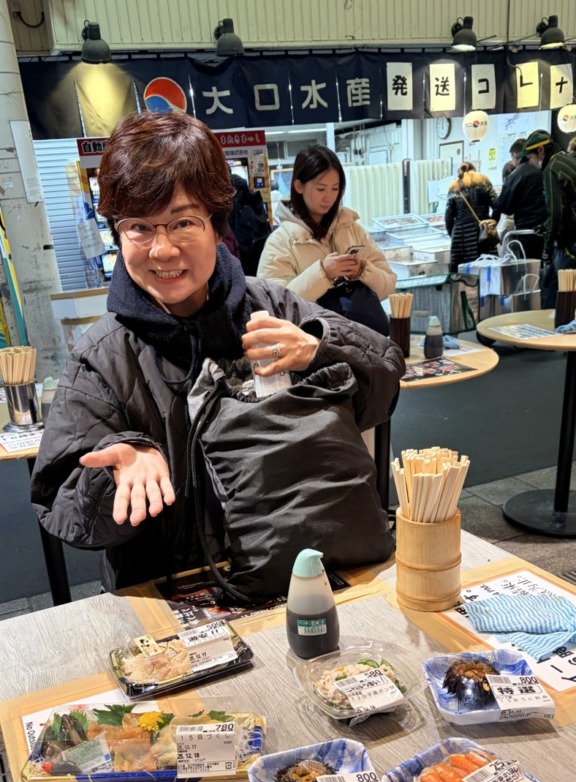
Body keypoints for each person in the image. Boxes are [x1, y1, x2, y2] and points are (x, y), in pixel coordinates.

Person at [30, 111, 404, 592]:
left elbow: (384, 387)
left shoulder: (276, 307)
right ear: (118, 233)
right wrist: (116, 471)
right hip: (179, 595)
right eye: (139, 227)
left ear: (216, 225)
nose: (162, 249)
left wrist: (322, 351)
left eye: (183, 222)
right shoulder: (102, 358)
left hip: (306, 573)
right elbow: (62, 505)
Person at [257, 145, 396, 333]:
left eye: (335, 188)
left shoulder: (352, 229)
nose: (329, 197)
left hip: (364, 341)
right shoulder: (281, 242)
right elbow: (275, 307)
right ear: (299, 186)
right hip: (314, 345)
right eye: (321, 188)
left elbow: (388, 287)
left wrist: (363, 270)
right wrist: (322, 273)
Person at [522, 129, 576, 306]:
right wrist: (545, 226)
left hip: (569, 245)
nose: (530, 162)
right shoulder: (568, 161)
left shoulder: (551, 169)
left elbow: (556, 213)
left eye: (530, 157)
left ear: (541, 151)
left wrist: (546, 248)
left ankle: (555, 323)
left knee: (555, 295)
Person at [493, 138, 546, 258]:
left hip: (526, 231)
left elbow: (504, 207)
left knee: (529, 266)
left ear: (514, 155)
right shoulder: (544, 169)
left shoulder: (516, 175)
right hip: (547, 229)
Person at [444, 162, 498, 272]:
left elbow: (448, 217)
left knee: (463, 274)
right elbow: (497, 206)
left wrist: (453, 234)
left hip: (461, 237)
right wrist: (491, 224)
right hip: (483, 234)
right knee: (487, 271)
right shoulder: (484, 181)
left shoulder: (454, 187)